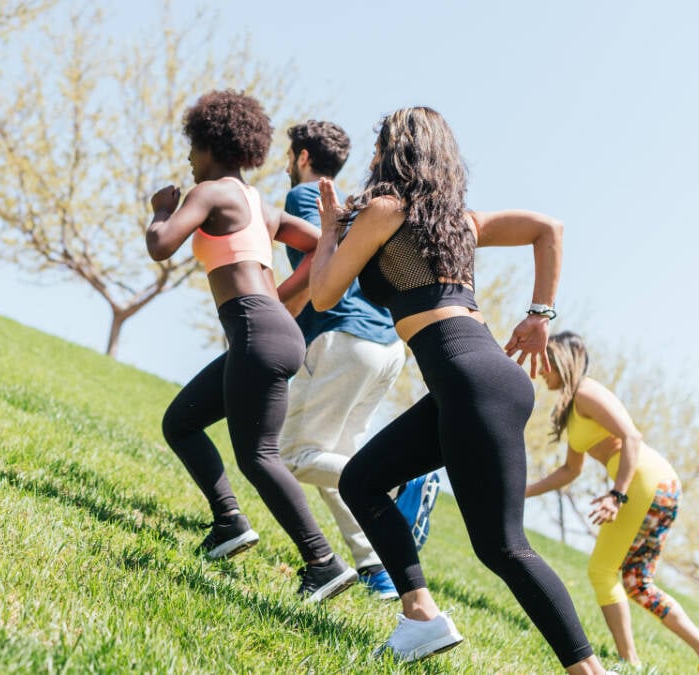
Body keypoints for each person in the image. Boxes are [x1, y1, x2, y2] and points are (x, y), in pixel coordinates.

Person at [310, 106, 611, 674]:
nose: (373, 156)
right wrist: (540, 313)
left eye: (380, 145)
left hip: (472, 380)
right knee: (363, 480)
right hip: (473, 379)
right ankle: (421, 617)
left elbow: (324, 294)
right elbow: (550, 229)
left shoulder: (386, 208)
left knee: (503, 547)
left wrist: (329, 231)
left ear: (394, 150)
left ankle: (590, 671)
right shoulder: (460, 222)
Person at [146, 90, 357, 603]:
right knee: (181, 422)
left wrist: (160, 210)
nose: (189, 161)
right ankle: (229, 523)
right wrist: (282, 297)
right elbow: (323, 243)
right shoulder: (259, 205)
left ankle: (323, 563)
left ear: (212, 146)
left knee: (259, 456)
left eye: (192, 150)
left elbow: (161, 246)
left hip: (256, 332)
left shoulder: (211, 193)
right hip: (271, 332)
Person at [278, 120, 442, 601]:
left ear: (302, 157)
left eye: (290, 155)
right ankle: (377, 567)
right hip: (386, 347)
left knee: (292, 457)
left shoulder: (306, 196)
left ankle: (399, 487)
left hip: (343, 340)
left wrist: (272, 302)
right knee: (337, 458)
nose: (288, 164)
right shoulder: (353, 206)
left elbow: (314, 260)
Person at [526, 332, 699, 675]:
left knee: (601, 571)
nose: (539, 370)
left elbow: (632, 436)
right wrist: (521, 493)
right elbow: (569, 471)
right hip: (656, 482)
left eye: (545, 361)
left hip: (642, 481)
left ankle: (631, 665)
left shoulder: (585, 392)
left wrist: (617, 494)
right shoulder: (572, 406)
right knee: (637, 581)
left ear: (563, 359)